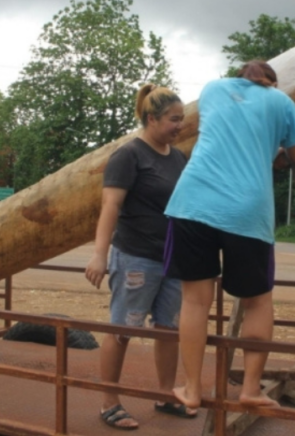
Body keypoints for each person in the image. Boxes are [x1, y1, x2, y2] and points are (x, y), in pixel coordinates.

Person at [164, 61, 295, 409]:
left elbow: (228, 128)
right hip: (247, 211)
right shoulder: (281, 101)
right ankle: (250, 389)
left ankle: (192, 389)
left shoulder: (212, 89)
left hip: (193, 203)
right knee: (257, 302)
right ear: (271, 82)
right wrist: (279, 147)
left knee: (194, 302)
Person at [85, 84, 196, 430]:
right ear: (151, 119)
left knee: (169, 329)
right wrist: (100, 255)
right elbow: (110, 206)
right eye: (173, 119)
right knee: (123, 329)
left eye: (181, 119)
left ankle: (165, 394)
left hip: (172, 259)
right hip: (135, 257)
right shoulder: (129, 155)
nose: (180, 125)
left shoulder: (178, 157)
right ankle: (109, 402)